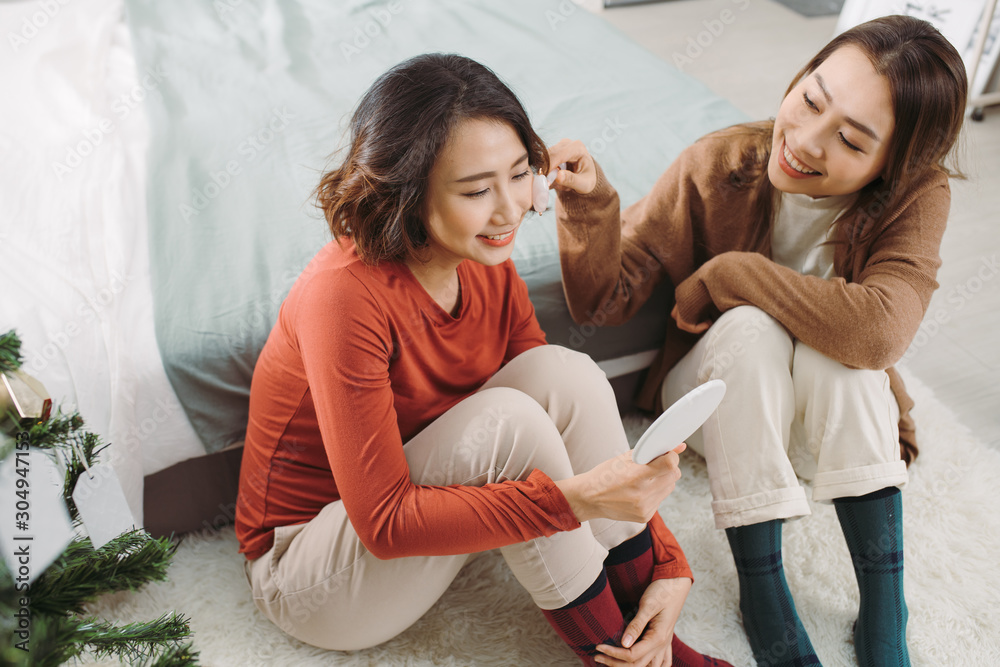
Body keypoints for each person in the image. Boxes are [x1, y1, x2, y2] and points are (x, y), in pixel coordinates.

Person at [234, 53, 734, 667]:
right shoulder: (342, 295)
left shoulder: (482, 257)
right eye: (476, 190)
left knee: (564, 374)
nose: (510, 209)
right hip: (316, 573)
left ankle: (648, 635)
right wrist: (576, 501)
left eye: (520, 174)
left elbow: (567, 421)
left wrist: (668, 562)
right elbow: (386, 524)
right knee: (511, 424)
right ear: (408, 194)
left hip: (432, 516)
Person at [549, 16, 966, 667]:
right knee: (750, 326)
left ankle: (886, 605)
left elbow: (883, 330)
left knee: (854, 361)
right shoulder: (722, 164)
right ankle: (761, 586)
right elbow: (606, 300)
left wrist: (731, 275)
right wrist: (589, 203)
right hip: (726, 407)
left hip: (827, 435)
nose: (804, 140)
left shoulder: (917, 197)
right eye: (809, 99)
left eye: (851, 141)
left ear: (895, 165)